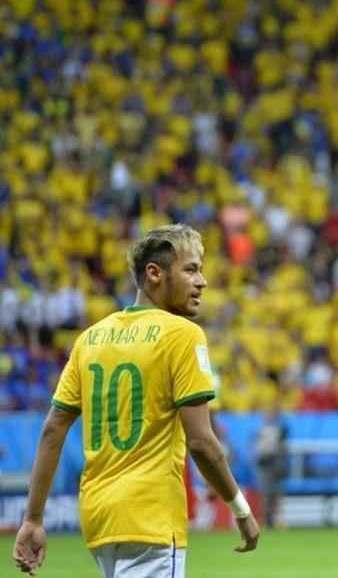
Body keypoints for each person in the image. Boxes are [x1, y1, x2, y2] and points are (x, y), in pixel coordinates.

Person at [11, 224, 259, 577]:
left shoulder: (90, 339)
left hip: (99, 520)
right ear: (154, 274)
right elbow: (202, 443)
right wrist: (240, 509)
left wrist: (33, 519)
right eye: (190, 269)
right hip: (151, 517)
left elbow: (53, 429)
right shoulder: (183, 335)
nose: (202, 281)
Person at [254, 398, 289, 529]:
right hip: (266, 464)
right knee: (267, 493)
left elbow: (282, 447)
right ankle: (266, 519)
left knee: (277, 493)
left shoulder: (277, 429)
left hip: (276, 464)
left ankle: (276, 519)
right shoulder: (265, 431)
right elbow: (261, 450)